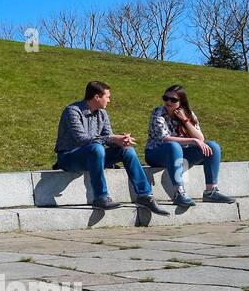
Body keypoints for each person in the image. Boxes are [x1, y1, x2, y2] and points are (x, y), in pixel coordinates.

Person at [54, 81, 168, 215]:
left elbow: (108, 137)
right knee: (96, 148)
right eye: (107, 97)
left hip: (95, 156)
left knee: (127, 150)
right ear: (97, 97)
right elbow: (82, 139)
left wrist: (121, 141)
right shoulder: (72, 111)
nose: (109, 100)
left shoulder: (102, 113)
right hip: (69, 157)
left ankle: (145, 196)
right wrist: (112, 138)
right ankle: (101, 197)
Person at [145, 84, 236, 207]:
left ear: (181, 102)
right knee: (174, 146)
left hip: (181, 155)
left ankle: (211, 191)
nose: (168, 102)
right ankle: (179, 193)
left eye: (173, 100)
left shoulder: (189, 114)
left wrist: (185, 121)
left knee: (213, 147)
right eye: (165, 98)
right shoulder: (158, 113)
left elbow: (200, 139)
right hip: (156, 154)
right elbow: (164, 139)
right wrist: (192, 141)